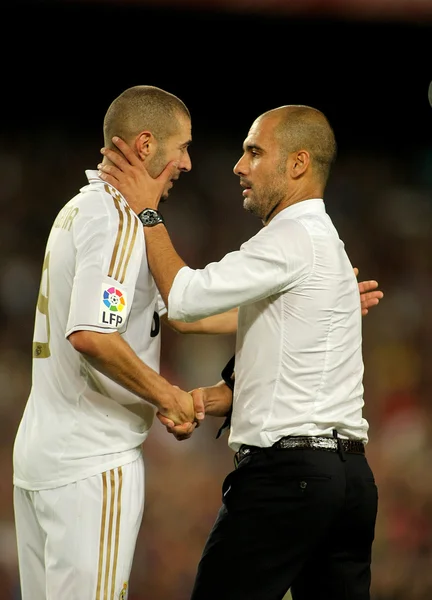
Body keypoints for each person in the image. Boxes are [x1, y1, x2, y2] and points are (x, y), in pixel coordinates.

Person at [97, 103, 382, 600]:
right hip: (349, 481)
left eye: (254, 152)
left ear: (297, 164)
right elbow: (194, 321)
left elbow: (184, 297)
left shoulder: (290, 236)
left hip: (287, 480)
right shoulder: (327, 244)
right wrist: (202, 402)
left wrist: (147, 211)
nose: (239, 165)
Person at [12, 85, 239, 600]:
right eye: (181, 146)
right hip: (92, 466)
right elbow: (93, 333)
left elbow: (182, 312)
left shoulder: (82, 209)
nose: (186, 160)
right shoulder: (117, 220)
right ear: (143, 145)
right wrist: (168, 396)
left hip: (46, 458)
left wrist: (301, 305)